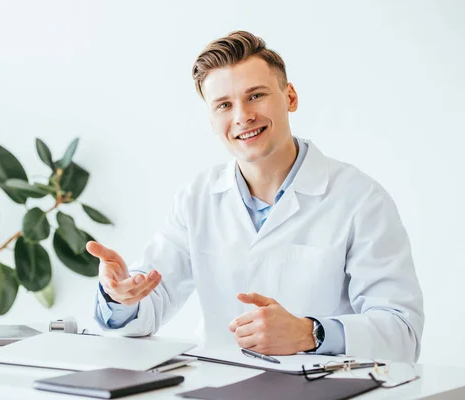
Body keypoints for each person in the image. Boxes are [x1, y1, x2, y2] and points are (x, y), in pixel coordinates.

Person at [87, 30, 424, 362]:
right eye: (223, 105)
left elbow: (402, 333)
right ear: (211, 120)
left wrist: (310, 333)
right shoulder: (196, 199)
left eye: (255, 96)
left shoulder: (360, 199)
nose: (242, 116)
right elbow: (147, 306)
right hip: (220, 385)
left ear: (290, 97)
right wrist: (121, 297)